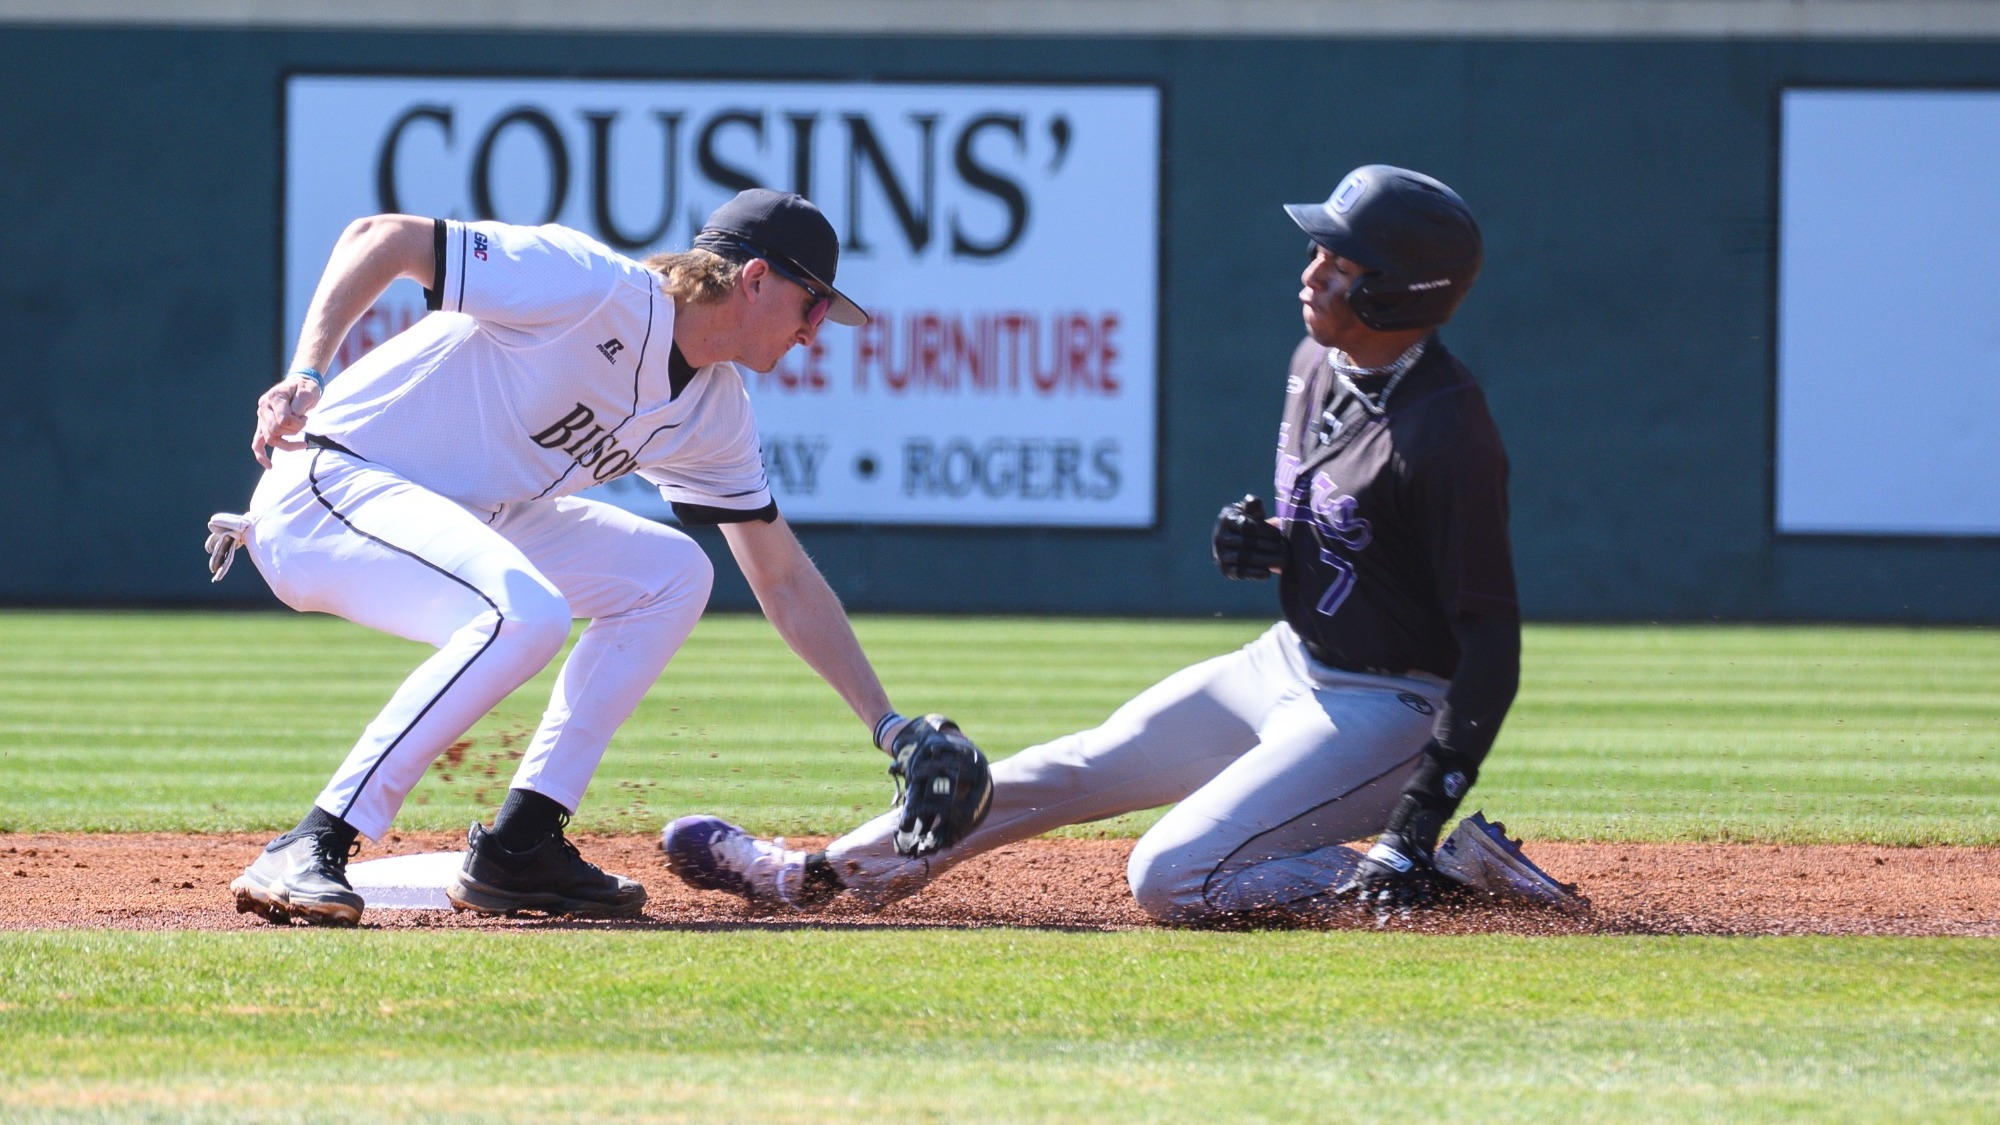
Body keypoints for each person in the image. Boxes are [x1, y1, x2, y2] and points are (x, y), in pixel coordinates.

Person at [664, 165, 1541, 923]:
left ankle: (1431, 872)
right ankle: (815, 876)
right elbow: (1372, 543)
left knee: (1172, 876)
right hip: (1286, 664)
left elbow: (1491, 650)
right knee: (1064, 769)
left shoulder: (1447, 433)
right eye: (1317, 251)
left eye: (1340, 262)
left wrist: (1420, 815)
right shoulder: (1319, 362)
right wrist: (1285, 547)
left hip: (1389, 713)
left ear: (1402, 289)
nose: (1312, 273)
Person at [216, 189, 942, 926]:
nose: (815, 331)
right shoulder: (590, 286)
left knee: (672, 575)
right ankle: (314, 840)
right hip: (329, 484)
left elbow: (782, 578)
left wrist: (892, 727)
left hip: (472, 515)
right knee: (527, 612)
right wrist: (307, 372)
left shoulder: (715, 413)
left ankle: (519, 849)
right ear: (755, 279)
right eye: (813, 303)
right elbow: (383, 236)